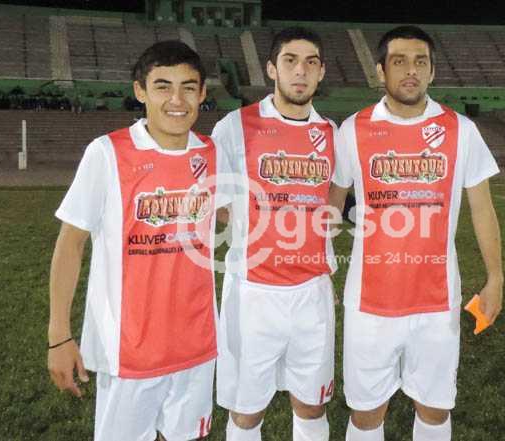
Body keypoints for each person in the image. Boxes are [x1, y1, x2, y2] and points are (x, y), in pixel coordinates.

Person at [328, 26, 504, 441]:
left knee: (435, 409)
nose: (411, 70)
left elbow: (482, 208)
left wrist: (495, 277)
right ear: (380, 71)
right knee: (367, 413)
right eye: (399, 61)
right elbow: (331, 208)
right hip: (369, 305)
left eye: (420, 62)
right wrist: (320, 267)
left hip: (436, 303)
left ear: (432, 71)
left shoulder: (461, 130)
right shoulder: (353, 130)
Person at [47, 40, 226, 441]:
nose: (176, 100)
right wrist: (58, 335)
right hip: (129, 351)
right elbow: (70, 243)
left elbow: (234, 211)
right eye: (163, 86)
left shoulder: (212, 153)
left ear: (202, 94)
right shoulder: (107, 153)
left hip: (197, 345)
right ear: (140, 91)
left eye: (188, 87)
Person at [212, 27, 338, 441]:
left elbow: (332, 204)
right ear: (271, 69)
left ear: (321, 72)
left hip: (312, 292)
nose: (300, 71)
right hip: (252, 294)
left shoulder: (332, 133)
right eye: (290, 61)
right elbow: (218, 204)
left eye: (310, 63)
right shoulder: (235, 126)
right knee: (247, 411)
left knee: (312, 404)